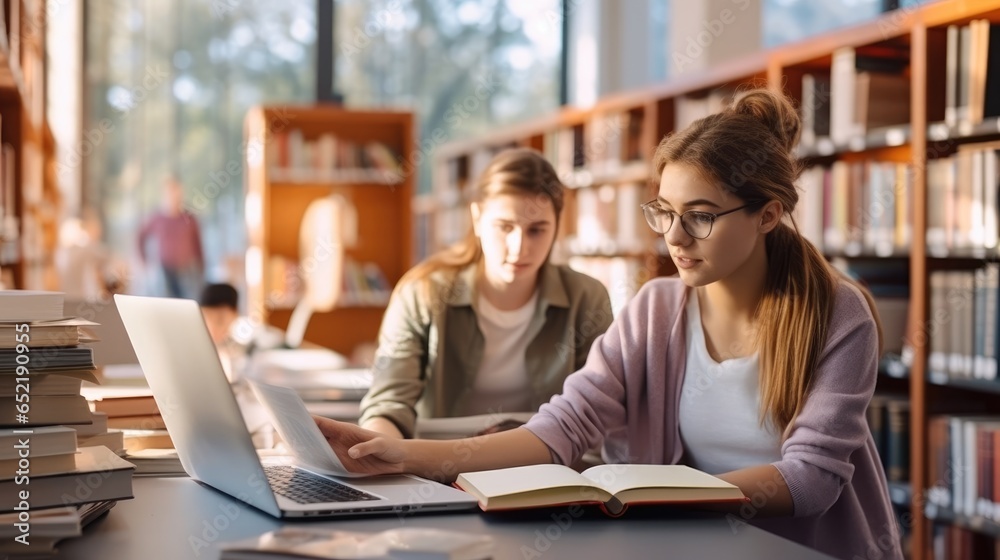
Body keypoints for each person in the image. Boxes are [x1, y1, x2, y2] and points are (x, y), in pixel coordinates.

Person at [312, 90, 902, 560]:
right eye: (664, 213)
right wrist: (405, 455)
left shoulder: (836, 314)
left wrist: (660, 498)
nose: (673, 237)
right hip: (688, 545)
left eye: (699, 217)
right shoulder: (655, 309)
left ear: (768, 214)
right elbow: (560, 429)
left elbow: (811, 479)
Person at [358, 147, 614, 439]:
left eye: (537, 230)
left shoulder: (587, 298)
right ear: (477, 218)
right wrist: (379, 447)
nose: (520, 248)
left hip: (544, 469)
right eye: (505, 227)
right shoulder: (422, 293)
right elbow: (388, 404)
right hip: (438, 470)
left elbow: (597, 411)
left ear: (557, 226)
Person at [137, 176, 205, 299]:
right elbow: (140, 237)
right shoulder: (156, 218)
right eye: (170, 192)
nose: (174, 196)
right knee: (166, 304)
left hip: (186, 271)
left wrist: (201, 269)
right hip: (163, 271)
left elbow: (198, 245)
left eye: (177, 192)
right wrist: (144, 262)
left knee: (187, 304)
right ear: (164, 194)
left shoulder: (190, 218)